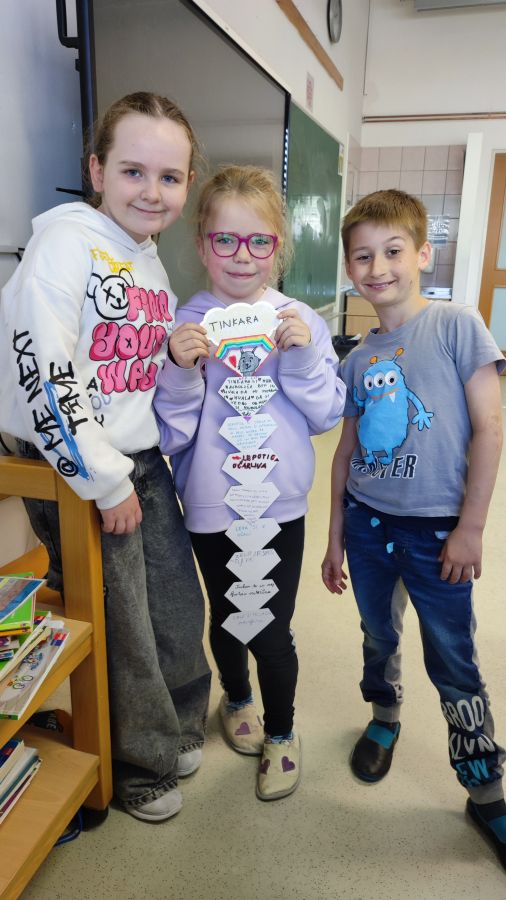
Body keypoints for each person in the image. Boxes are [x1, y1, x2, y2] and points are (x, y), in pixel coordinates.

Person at [0, 91, 211, 823]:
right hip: (77, 464)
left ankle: (177, 726)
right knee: (123, 620)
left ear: (187, 184)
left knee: (175, 602)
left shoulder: (146, 258)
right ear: (96, 170)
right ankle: (139, 764)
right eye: (132, 171)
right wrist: (102, 480)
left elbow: (132, 366)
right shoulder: (66, 243)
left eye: (169, 177)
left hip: (136, 457)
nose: (152, 191)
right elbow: (44, 373)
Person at [321, 188, 506, 868]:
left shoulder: (457, 324)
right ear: (349, 267)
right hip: (368, 527)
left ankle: (485, 789)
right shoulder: (356, 357)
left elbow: (491, 428)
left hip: (438, 534)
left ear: (423, 253)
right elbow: (344, 454)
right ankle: (384, 716)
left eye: (393, 251)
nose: (378, 268)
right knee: (378, 634)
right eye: (363, 256)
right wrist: (335, 535)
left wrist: (472, 527)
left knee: (453, 657)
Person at [154, 165, 346, 800]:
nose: (243, 255)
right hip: (213, 503)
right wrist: (181, 371)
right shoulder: (184, 325)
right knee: (228, 612)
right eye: (226, 240)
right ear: (202, 243)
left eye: (259, 240)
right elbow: (172, 435)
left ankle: (282, 732)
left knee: (271, 624)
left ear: (278, 246)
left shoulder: (299, 320)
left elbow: (326, 413)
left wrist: (303, 357)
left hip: (279, 504)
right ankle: (236, 698)